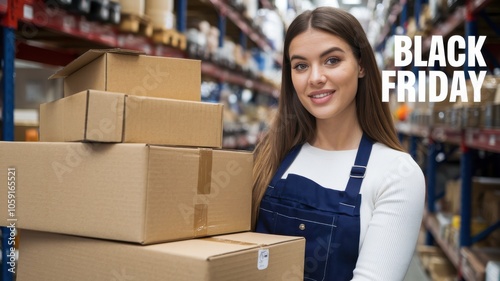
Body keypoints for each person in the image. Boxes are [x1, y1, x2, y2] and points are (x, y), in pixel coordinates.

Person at [252, 6, 425, 281]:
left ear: (361, 65)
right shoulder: (271, 157)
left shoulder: (397, 174)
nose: (315, 77)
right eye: (301, 65)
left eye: (331, 60)